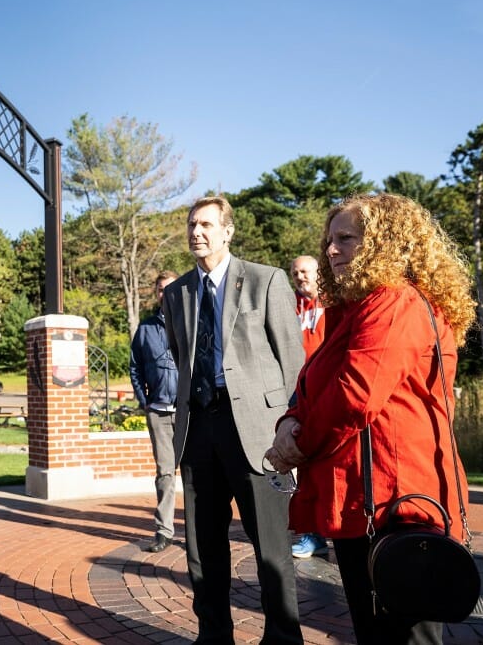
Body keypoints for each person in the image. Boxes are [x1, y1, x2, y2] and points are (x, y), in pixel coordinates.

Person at [265, 193, 475, 645]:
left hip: (397, 499)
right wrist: (289, 420)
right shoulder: (353, 309)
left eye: (346, 238)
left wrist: (296, 446)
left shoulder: (395, 302)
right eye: (329, 239)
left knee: (405, 633)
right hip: (366, 497)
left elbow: (355, 396)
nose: (331, 250)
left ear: (386, 243)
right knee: (375, 627)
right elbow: (314, 382)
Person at [162, 195, 305, 645]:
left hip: (257, 432)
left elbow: (293, 363)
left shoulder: (266, 280)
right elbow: (180, 355)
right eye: (190, 225)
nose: (196, 232)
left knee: (271, 548)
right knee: (203, 548)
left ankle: (283, 638)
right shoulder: (176, 292)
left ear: (228, 231)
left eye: (205, 224)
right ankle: (213, 635)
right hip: (198, 429)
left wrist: (292, 428)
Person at [130, 270, 184, 553]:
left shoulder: (192, 323)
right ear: (157, 293)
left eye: (171, 288)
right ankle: (164, 530)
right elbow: (135, 368)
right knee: (165, 473)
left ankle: (201, 534)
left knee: (196, 474)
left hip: (190, 413)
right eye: (161, 289)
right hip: (159, 414)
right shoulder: (146, 329)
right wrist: (144, 401)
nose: (166, 293)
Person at [288, 255, 328, 559]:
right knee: (304, 461)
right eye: (296, 272)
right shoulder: (292, 307)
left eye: (305, 271)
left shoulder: (334, 301)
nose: (301, 277)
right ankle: (312, 534)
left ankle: (344, 529)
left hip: (328, 388)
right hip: (298, 390)